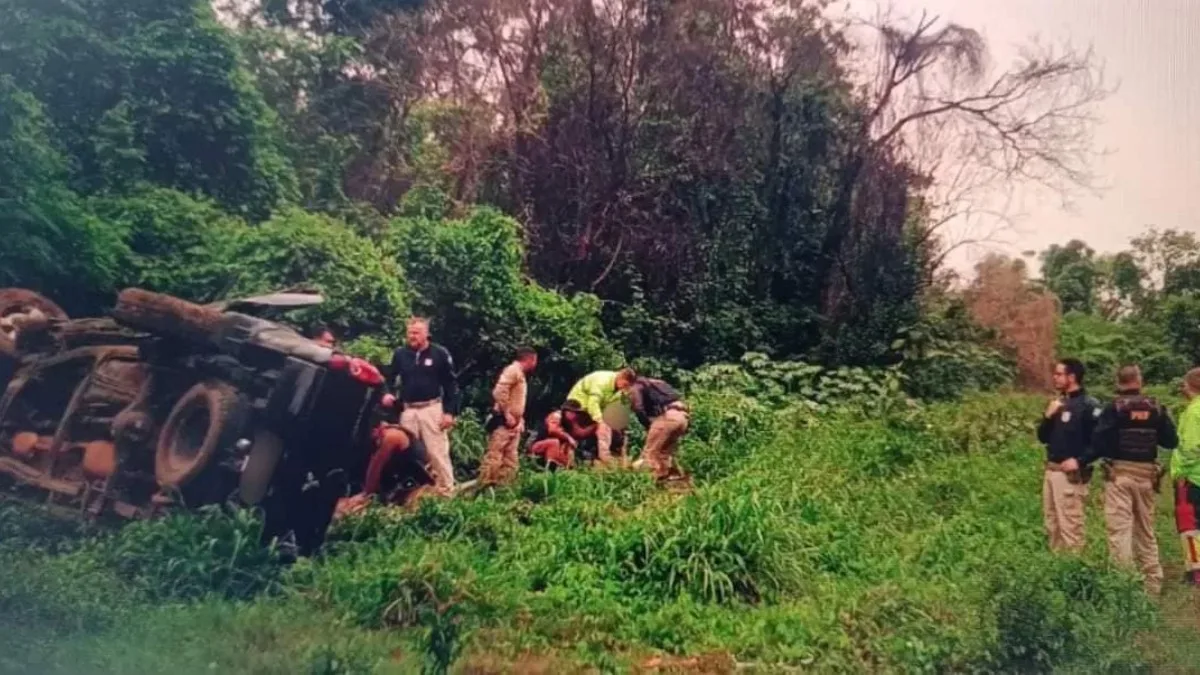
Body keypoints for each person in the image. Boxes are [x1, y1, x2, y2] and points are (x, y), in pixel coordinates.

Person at [1088, 365, 1178, 594]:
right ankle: (1152, 584)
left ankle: (1123, 588)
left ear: (1118, 382)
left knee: (1120, 531)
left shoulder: (1114, 408)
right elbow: (1170, 441)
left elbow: (1098, 442)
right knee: (1145, 531)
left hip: (1119, 474)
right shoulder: (1156, 407)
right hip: (1147, 476)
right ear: (1140, 381)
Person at [382, 317, 459, 496]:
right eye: (409, 332)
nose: (412, 336)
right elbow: (389, 377)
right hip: (408, 410)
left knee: (436, 451)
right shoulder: (400, 354)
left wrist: (449, 412)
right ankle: (409, 493)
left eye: (416, 332)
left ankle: (447, 492)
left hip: (431, 408)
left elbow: (451, 384)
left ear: (426, 334)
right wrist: (387, 393)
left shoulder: (439, 353)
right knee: (407, 453)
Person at [1036, 357, 1102, 553]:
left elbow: (1100, 443)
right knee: (1052, 524)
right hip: (1051, 470)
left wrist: (1080, 460)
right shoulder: (1058, 403)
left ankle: (1076, 571)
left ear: (1072, 377)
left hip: (1070, 476)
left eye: (1059, 374)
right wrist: (1048, 416)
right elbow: (1042, 437)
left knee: (1071, 526)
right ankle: (1058, 570)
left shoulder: (1090, 406)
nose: (1055, 378)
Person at [479, 347, 538, 485]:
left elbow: (515, 399)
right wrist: (507, 414)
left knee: (510, 458)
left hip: (514, 423)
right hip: (504, 421)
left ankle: (503, 487)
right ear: (530, 359)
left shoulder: (520, 374)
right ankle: (484, 486)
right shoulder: (512, 370)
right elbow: (499, 391)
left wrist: (519, 418)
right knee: (494, 455)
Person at [564, 368, 636, 464]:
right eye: (625, 385)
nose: (625, 388)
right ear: (620, 377)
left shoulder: (622, 391)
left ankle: (617, 458)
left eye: (628, 387)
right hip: (578, 406)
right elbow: (593, 403)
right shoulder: (602, 380)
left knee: (616, 429)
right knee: (603, 426)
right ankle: (604, 456)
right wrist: (600, 420)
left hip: (596, 410)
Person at [628, 376, 690, 482]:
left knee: (649, 453)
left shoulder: (635, 386)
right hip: (683, 416)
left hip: (668, 416)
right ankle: (665, 479)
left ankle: (645, 481)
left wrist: (647, 424)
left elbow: (638, 407)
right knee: (664, 452)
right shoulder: (658, 383)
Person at [1173, 367, 1200, 585]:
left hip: (1193, 477)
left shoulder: (1193, 412)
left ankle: (1196, 570)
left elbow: (1191, 447)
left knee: (1190, 525)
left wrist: (1182, 471)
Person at [528, 400, 598, 470]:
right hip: (537, 446)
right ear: (567, 411)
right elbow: (552, 430)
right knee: (554, 442)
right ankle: (551, 467)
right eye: (574, 413)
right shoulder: (556, 416)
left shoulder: (570, 423)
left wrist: (596, 425)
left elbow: (580, 433)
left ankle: (567, 467)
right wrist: (568, 437)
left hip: (554, 450)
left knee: (569, 446)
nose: (575, 416)